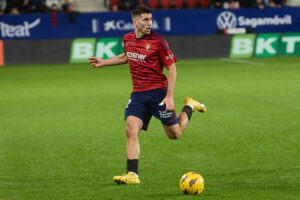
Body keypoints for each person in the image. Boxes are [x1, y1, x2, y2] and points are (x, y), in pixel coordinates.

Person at [89, 6, 206, 184]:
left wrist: (169, 97)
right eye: (145, 20)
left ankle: (189, 106)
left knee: (175, 134)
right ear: (134, 22)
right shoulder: (127, 38)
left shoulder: (158, 41)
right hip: (138, 95)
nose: (149, 23)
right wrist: (103, 62)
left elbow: (172, 68)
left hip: (159, 94)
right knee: (130, 130)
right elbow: (126, 57)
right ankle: (132, 174)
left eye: (150, 19)